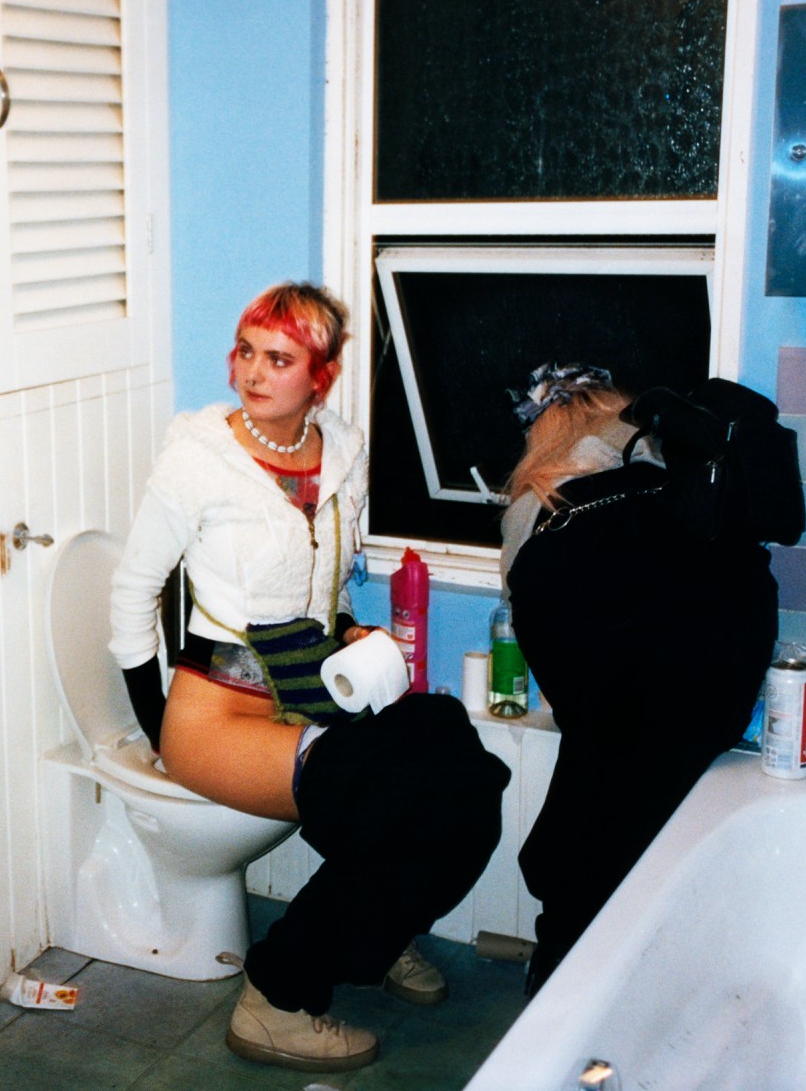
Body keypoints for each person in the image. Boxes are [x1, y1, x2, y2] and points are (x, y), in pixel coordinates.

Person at [109, 282, 508, 1075]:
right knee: (398, 795)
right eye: (247, 352)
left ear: (318, 375)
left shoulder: (342, 452)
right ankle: (276, 996)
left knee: (457, 759)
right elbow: (129, 594)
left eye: (279, 358)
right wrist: (156, 729)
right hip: (217, 712)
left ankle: (379, 931)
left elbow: (326, 578)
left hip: (311, 685)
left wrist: (354, 630)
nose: (254, 373)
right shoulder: (199, 460)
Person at [499, 362, 776, 994]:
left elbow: (539, 624)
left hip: (622, 701)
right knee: (627, 822)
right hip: (719, 692)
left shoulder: (540, 502)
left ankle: (565, 992)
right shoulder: (674, 480)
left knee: (588, 833)